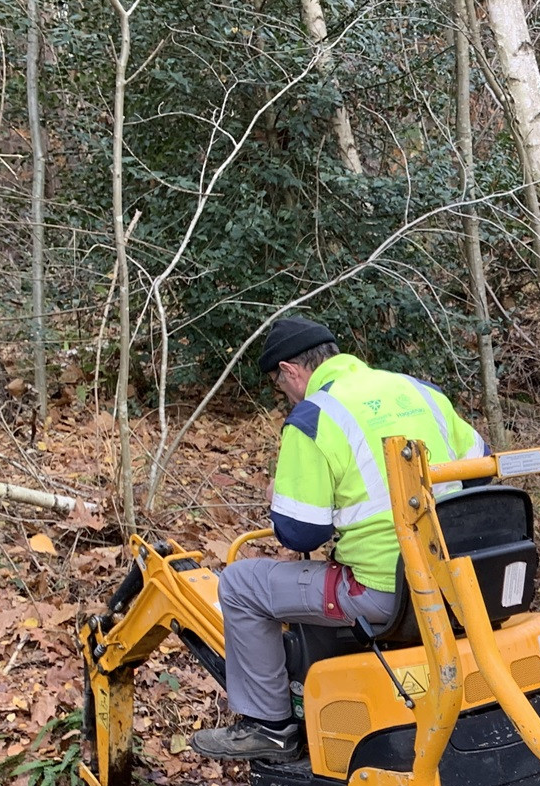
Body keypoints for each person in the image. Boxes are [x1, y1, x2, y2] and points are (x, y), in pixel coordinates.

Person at [191, 317, 486, 761]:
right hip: (457, 580)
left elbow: (299, 532)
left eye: (280, 385)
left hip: (386, 593)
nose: (286, 395)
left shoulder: (314, 416)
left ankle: (269, 727)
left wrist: (280, 500)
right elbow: (480, 476)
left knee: (239, 584)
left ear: (291, 371)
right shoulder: (421, 392)